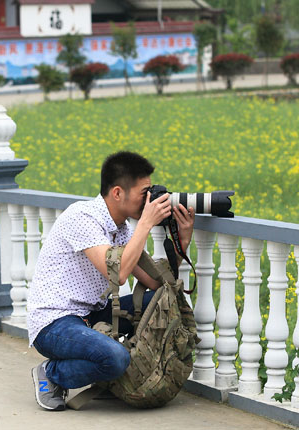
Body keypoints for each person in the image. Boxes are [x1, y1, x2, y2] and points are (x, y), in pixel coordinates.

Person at [27, 151, 195, 411]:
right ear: (118, 193)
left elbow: (154, 283)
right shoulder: (82, 218)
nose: (149, 200)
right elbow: (117, 273)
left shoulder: (123, 229)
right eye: (144, 193)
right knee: (116, 358)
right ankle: (51, 373)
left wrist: (182, 241)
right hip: (54, 323)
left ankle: (108, 373)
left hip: (92, 314)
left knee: (160, 300)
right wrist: (146, 224)